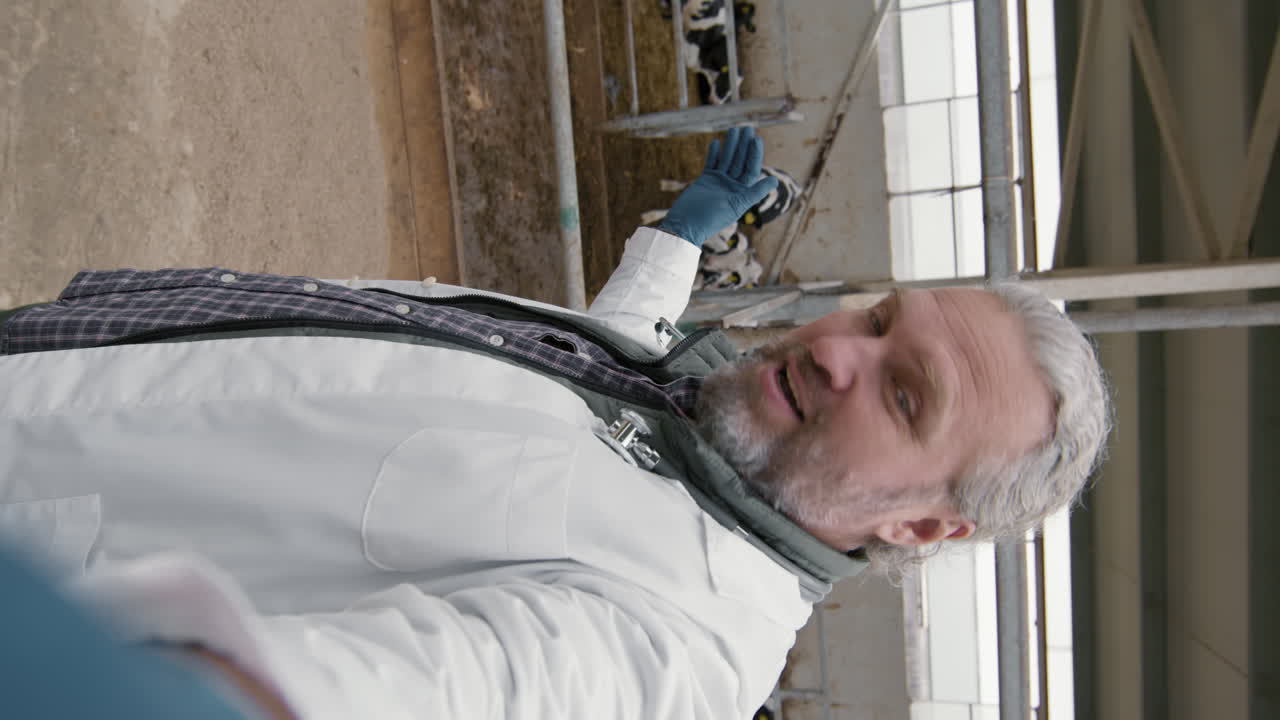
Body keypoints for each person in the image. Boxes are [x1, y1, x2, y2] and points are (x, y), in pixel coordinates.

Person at [0, 127, 1109, 719]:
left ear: (920, 527)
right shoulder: (689, 408)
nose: (835, 350)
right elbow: (601, 363)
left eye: (902, 393)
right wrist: (683, 233)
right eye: (876, 315)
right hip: (56, 363)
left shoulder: (670, 651)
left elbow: (409, 696)